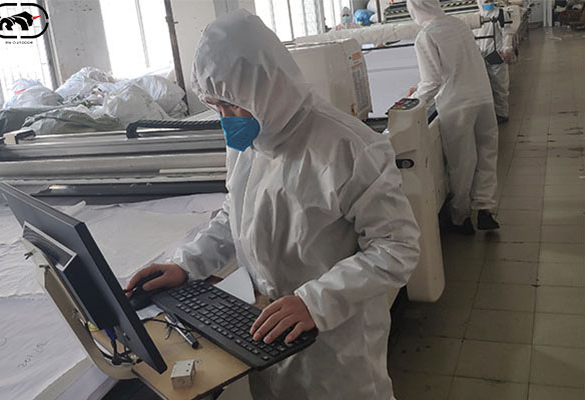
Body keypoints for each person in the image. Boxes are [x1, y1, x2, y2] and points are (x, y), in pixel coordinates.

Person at [126, 9, 420, 400]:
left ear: (267, 88)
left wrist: (315, 301)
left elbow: (396, 248)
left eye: (233, 105)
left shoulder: (349, 147)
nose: (226, 119)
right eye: (216, 106)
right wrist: (187, 264)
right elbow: (235, 215)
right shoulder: (248, 143)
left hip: (335, 349)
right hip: (267, 333)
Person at [405, 0, 501, 233]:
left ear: (415, 8)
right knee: (487, 155)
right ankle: (485, 209)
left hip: (458, 105)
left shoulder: (426, 36)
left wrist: (411, 102)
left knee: (462, 162)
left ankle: (461, 217)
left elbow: (432, 81)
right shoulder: (458, 24)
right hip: (483, 97)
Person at [474, 0, 513, 124]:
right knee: (485, 88)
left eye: (490, 0)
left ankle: (502, 113)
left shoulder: (500, 13)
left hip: (496, 54)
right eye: (486, 1)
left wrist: (507, 49)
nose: (488, 3)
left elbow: (507, 33)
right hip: (481, 57)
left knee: (499, 86)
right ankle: (490, 114)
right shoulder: (475, 18)